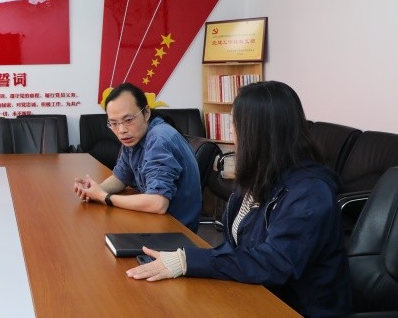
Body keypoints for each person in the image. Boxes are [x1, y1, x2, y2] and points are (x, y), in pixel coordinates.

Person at [126, 81, 351, 317]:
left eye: (234, 125)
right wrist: (192, 261)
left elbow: (275, 263)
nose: (232, 134)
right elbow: (238, 246)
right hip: (254, 292)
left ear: (256, 132)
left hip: (295, 307)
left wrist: (188, 261)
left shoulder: (311, 193)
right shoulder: (260, 173)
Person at [73, 82, 202, 231]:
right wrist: (94, 190)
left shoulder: (158, 138)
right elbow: (121, 177)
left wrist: (104, 197)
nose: (121, 130)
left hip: (174, 231)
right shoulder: (134, 136)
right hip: (154, 221)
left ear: (146, 113)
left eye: (128, 120)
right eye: (113, 123)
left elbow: (158, 203)